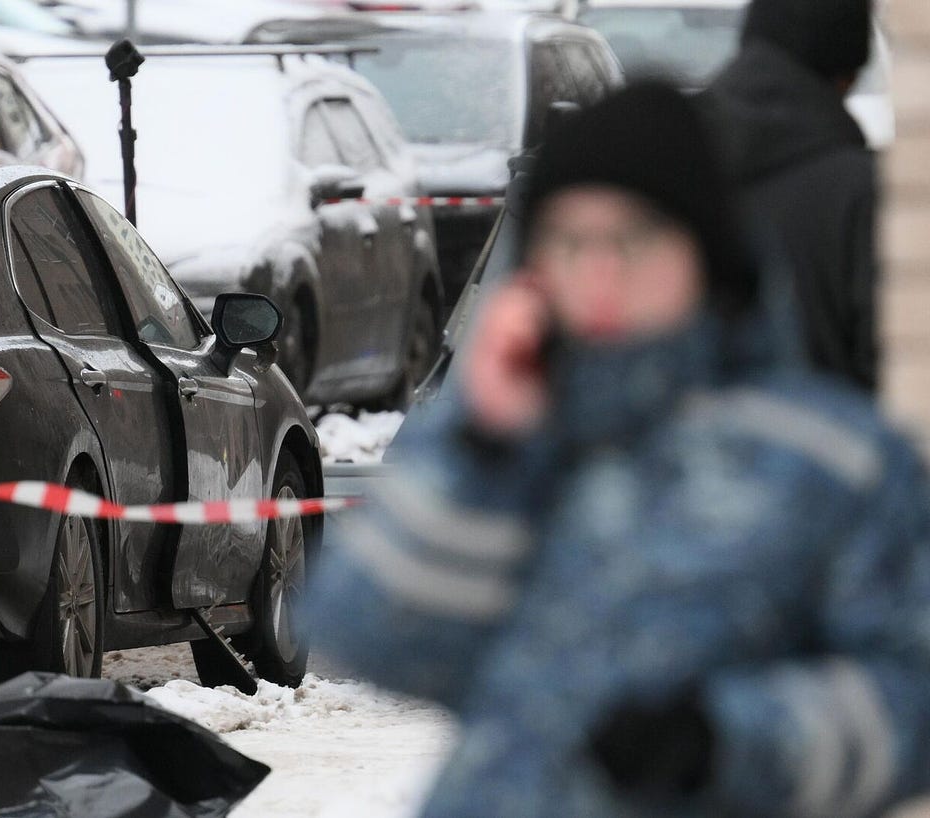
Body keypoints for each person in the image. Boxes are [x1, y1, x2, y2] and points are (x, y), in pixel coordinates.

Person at [306, 83, 930, 817]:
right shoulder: (508, 432)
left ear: (703, 251)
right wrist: (486, 455)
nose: (599, 277)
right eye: (570, 243)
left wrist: (728, 741)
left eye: (632, 241)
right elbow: (365, 639)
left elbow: (912, 697)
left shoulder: (831, 460)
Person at [701, 0, 880, 393]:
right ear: (844, 74)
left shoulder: (673, 157)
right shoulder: (858, 189)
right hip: (829, 440)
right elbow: (883, 358)